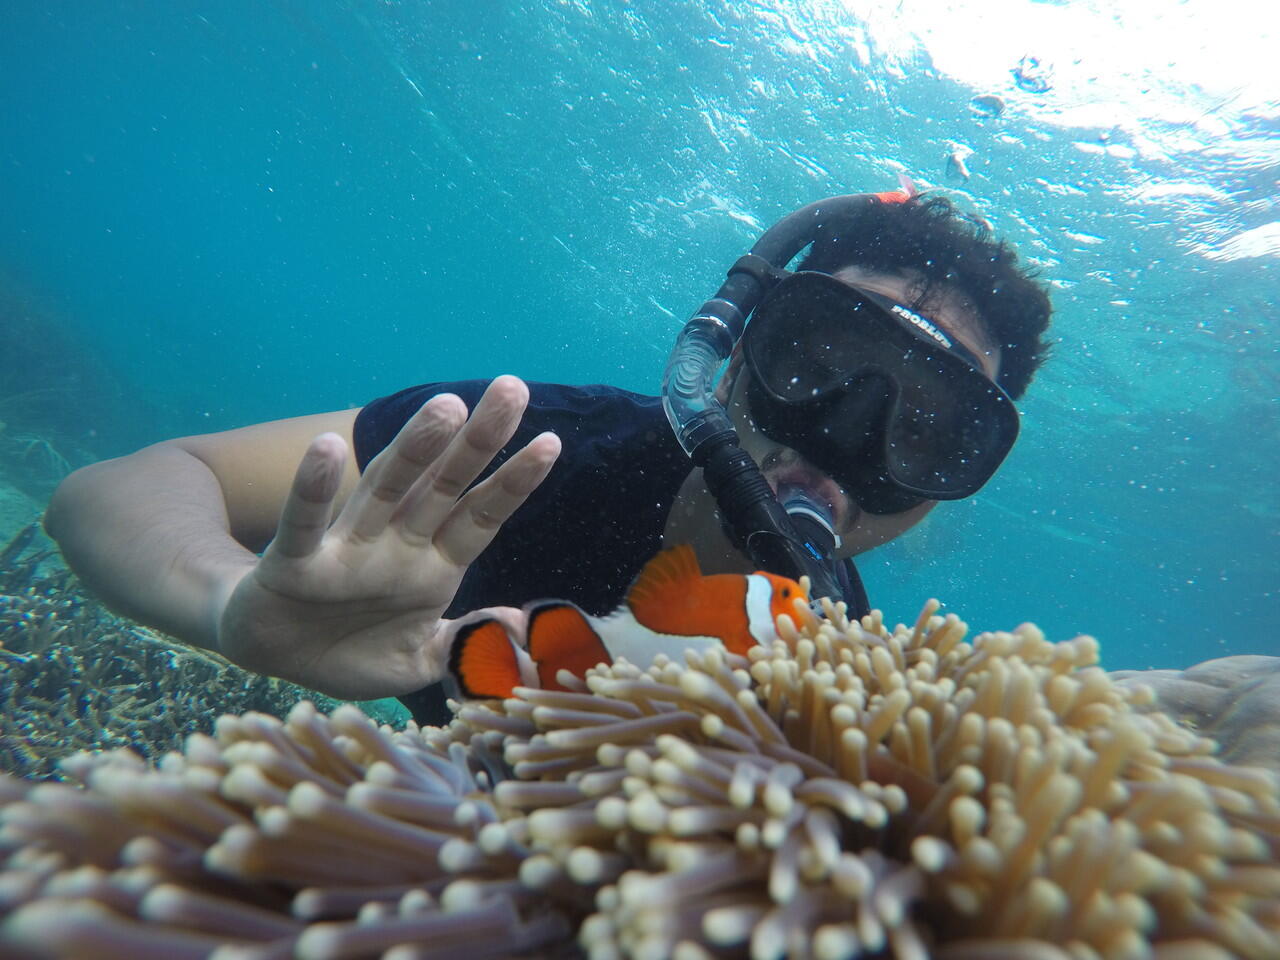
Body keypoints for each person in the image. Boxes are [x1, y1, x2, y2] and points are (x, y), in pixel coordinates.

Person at [44, 189, 1052, 724]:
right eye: (818, 360)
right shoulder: (521, 449)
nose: (842, 435)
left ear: (945, 494)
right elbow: (115, 490)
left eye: (925, 433)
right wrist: (231, 605)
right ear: (732, 352)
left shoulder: (851, 676)